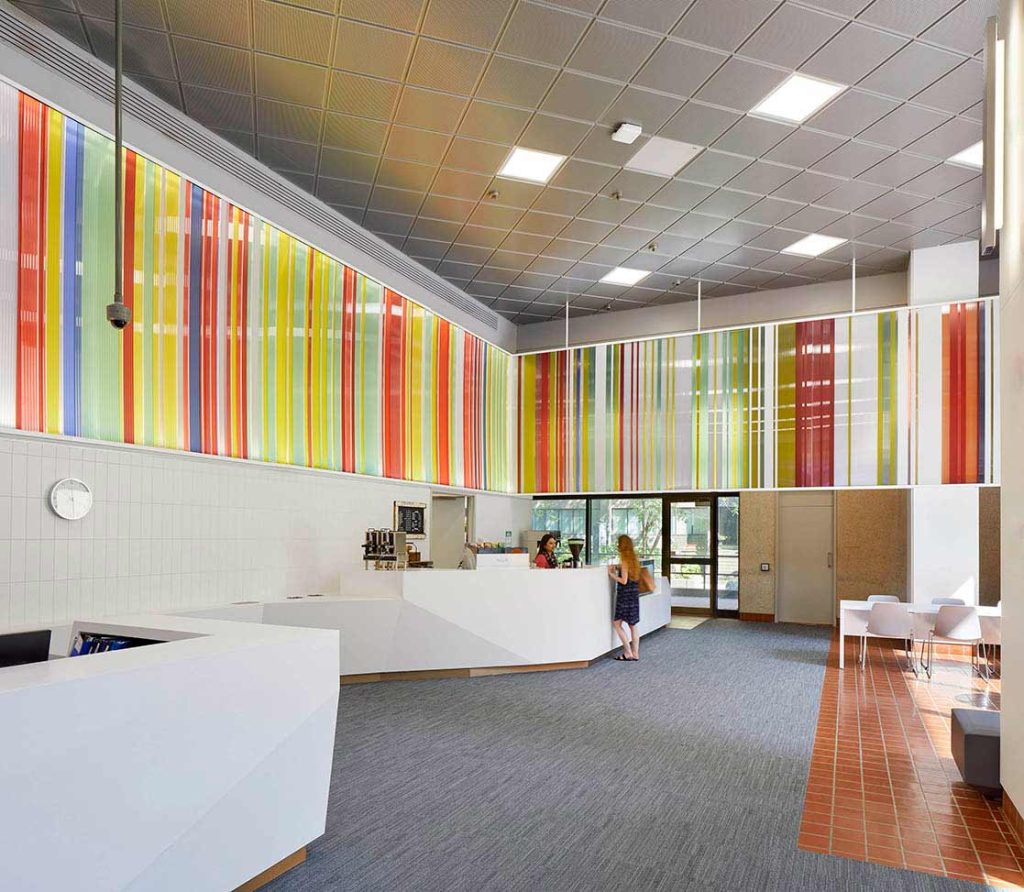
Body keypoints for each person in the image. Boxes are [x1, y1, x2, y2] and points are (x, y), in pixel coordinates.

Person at [608, 534, 641, 661]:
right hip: (634, 596)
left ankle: (627, 652)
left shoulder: (625, 561)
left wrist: (612, 575)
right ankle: (635, 653)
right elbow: (628, 572)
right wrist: (617, 567)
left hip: (625, 596)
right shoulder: (634, 560)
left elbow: (624, 580)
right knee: (633, 625)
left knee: (617, 623)